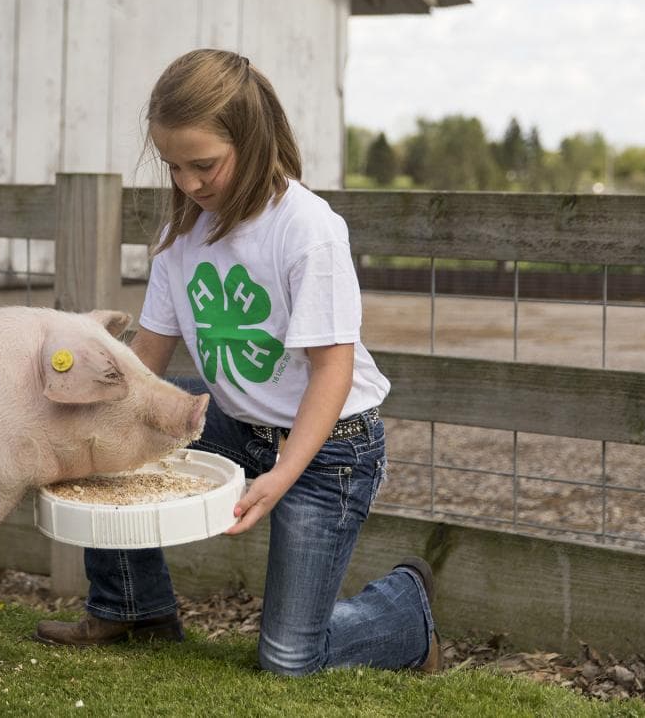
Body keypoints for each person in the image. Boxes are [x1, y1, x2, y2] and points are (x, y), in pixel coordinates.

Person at [33, 48, 440, 675]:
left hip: (329, 445)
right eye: (173, 166)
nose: (189, 184)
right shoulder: (181, 241)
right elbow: (146, 364)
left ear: (252, 142)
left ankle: (405, 609)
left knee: (289, 660)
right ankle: (132, 608)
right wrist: (86, 423)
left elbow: (331, 373)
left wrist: (280, 475)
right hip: (234, 422)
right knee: (108, 432)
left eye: (204, 165)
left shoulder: (308, 230)